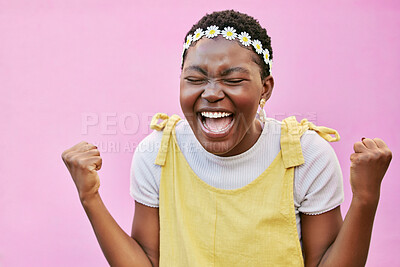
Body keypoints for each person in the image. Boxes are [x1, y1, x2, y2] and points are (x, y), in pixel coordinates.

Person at [61, 10, 392, 267]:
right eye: (195, 78)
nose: (211, 93)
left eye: (233, 80)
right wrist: (90, 197)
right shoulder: (158, 154)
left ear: (265, 89)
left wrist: (365, 198)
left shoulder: (306, 155)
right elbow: (148, 261)